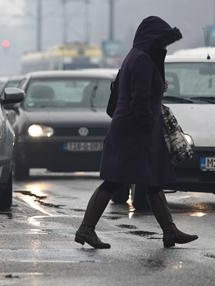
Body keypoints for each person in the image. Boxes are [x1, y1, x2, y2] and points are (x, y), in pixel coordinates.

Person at [75, 16, 197, 249]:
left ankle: (169, 231)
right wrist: (148, 128)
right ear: (152, 39)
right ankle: (86, 229)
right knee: (114, 181)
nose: (164, 47)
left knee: (152, 181)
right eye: (162, 42)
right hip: (134, 133)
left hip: (130, 130)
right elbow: (139, 99)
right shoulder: (142, 60)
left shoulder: (136, 56)